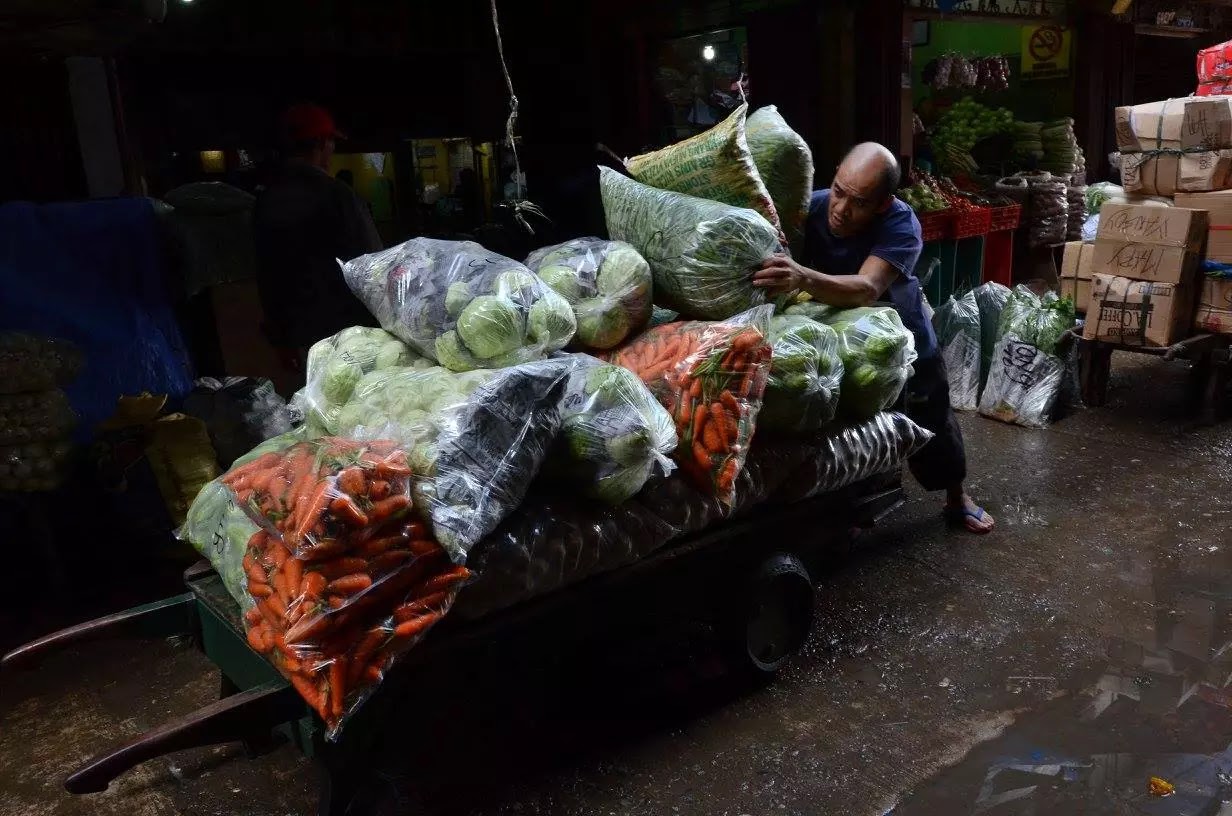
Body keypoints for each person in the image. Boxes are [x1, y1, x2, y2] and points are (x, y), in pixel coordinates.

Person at [752, 142, 995, 534]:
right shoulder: (811, 207)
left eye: (859, 202)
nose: (841, 209)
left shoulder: (901, 223)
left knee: (930, 408)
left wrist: (801, 277)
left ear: (883, 203)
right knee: (844, 415)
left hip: (899, 329)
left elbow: (868, 288)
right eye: (839, 191)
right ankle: (850, 500)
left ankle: (956, 496)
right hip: (834, 327)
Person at [253, 104, 382, 375]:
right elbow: (371, 264)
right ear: (322, 143)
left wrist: (281, 340)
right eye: (332, 142)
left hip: (301, 339)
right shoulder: (337, 195)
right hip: (349, 332)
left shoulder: (266, 201)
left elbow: (266, 275)